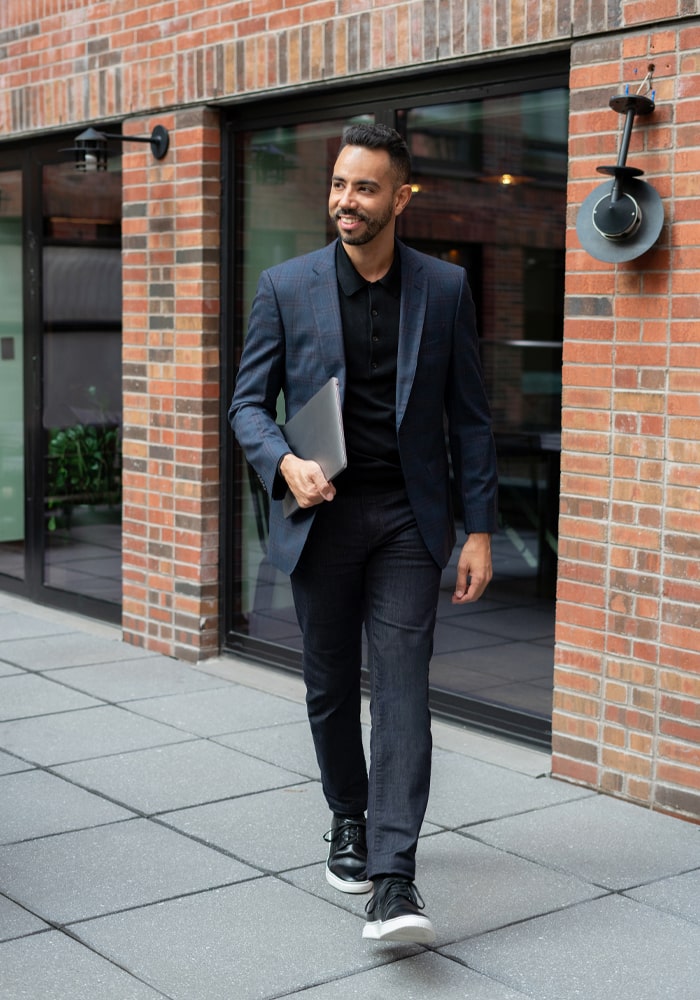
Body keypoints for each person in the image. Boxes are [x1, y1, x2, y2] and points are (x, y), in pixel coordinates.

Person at [229, 123, 498, 944]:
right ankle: (348, 815)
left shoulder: (445, 291)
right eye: (340, 185)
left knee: (405, 687)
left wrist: (480, 529)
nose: (346, 201)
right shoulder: (286, 286)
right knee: (328, 685)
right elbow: (245, 405)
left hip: (410, 521)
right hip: (323, 515)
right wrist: (283, 462)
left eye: (366, 188)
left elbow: (472, 420)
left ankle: (394, 877)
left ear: (401, 198)